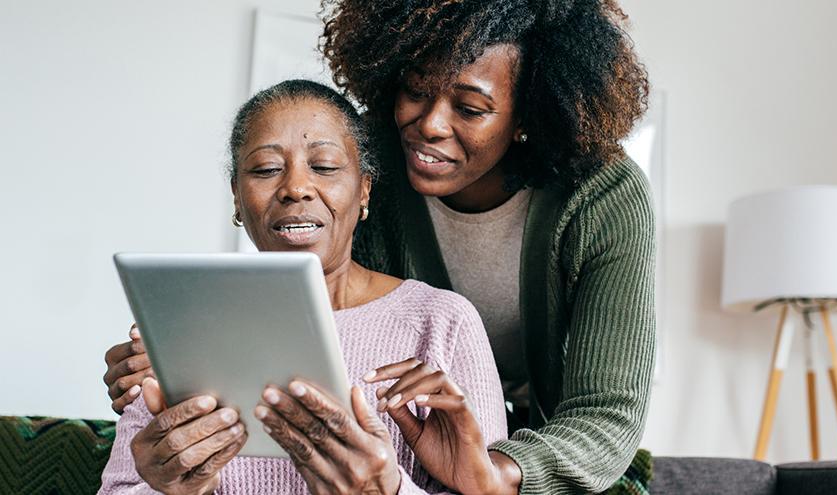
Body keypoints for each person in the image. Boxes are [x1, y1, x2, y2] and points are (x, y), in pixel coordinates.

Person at [105, 0, 657, 492]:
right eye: (416, 91)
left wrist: (496, 474)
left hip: (540, 451)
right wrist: (174, 355)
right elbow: (338, 317)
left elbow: (606, 413)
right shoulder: (378, 169)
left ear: (526, 118)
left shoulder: (602, 197)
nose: (429, 126)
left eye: (469, 108)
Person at [99, 79, 508, 495]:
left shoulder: (442, 321)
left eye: (325, 166)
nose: (296, 188)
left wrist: (386, 490)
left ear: (364, 189)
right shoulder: (179, 325)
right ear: (237, 197)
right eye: (266, 169)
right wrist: (170, 490)